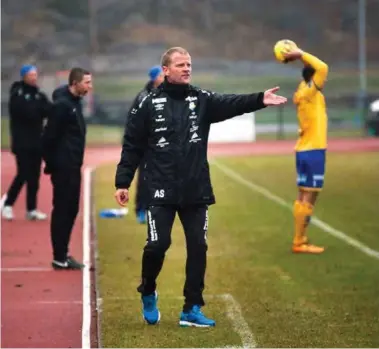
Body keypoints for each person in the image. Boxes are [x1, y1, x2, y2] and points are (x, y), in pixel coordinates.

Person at [114, 46, 287, 327]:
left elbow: (231, 103)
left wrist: (259, 99)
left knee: (198, 246)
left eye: (189, 64)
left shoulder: (201, 99)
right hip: (160, 188)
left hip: (196, 189)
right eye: (180, 64)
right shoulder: (146, 103)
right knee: (158, 245)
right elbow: (132, 145)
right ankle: (147, 290)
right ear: (166, 70)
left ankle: (191, 307)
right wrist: (123, 181)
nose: (186, 68)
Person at [42, 67, 92, 270]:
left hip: (73, 165)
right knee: (63, 210)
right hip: (64, 167)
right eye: (87, 82)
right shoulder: (62, 106)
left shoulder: (74, 103)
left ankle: (63, 254)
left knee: (71, 210)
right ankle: (59, 256)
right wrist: (53, 165)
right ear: (75, 83)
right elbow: (48, 137)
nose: (90, 86)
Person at [283, 46, 328, 254]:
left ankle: (300, 239)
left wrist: (301, 60)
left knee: (304, 194)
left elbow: (314, 69)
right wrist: (300, 54)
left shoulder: (302, 89)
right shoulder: (310, 91)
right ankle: (299, 241)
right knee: (309, 195)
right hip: (313, 150)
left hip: (304, 149)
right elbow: (323, 67)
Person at [2, 65, 51, 221]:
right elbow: (25, 112)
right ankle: (8, 204)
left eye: (35, 74)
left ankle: (31, 209)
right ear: (23, 76)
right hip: (22, 142)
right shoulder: (17, 93)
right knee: (23, 173)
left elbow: (48, 110)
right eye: (30, 74)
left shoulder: (39, 95)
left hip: (37, 141)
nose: (33, 77)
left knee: (35, 176)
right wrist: (38, 111)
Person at [132, 65, 164, 224]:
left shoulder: (169, 93)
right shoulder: (143, 96)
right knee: (145, 179)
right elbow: (134, 120)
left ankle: (158, 209)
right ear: (154, 78)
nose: (164, 77)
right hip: (146, 145)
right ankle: (141, 210)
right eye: (161, 75)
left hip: (163, 146)